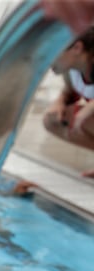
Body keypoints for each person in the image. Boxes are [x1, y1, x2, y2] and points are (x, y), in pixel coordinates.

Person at [42, 26, 94, 178]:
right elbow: (68, 90)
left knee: (85, 120)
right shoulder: (72, 70)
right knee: (52, 120)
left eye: (51, 52)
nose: (45, 59)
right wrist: (59, 102)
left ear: (77, 48)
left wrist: (89, 109)